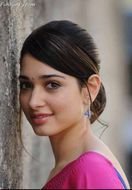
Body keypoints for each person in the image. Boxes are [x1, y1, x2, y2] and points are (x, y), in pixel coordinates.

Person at [19, 20, 130, 189]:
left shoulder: (91, 172)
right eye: (26, 85)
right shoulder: (70, 167)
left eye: (52, 85)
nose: (33, 102)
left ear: (90, 89)